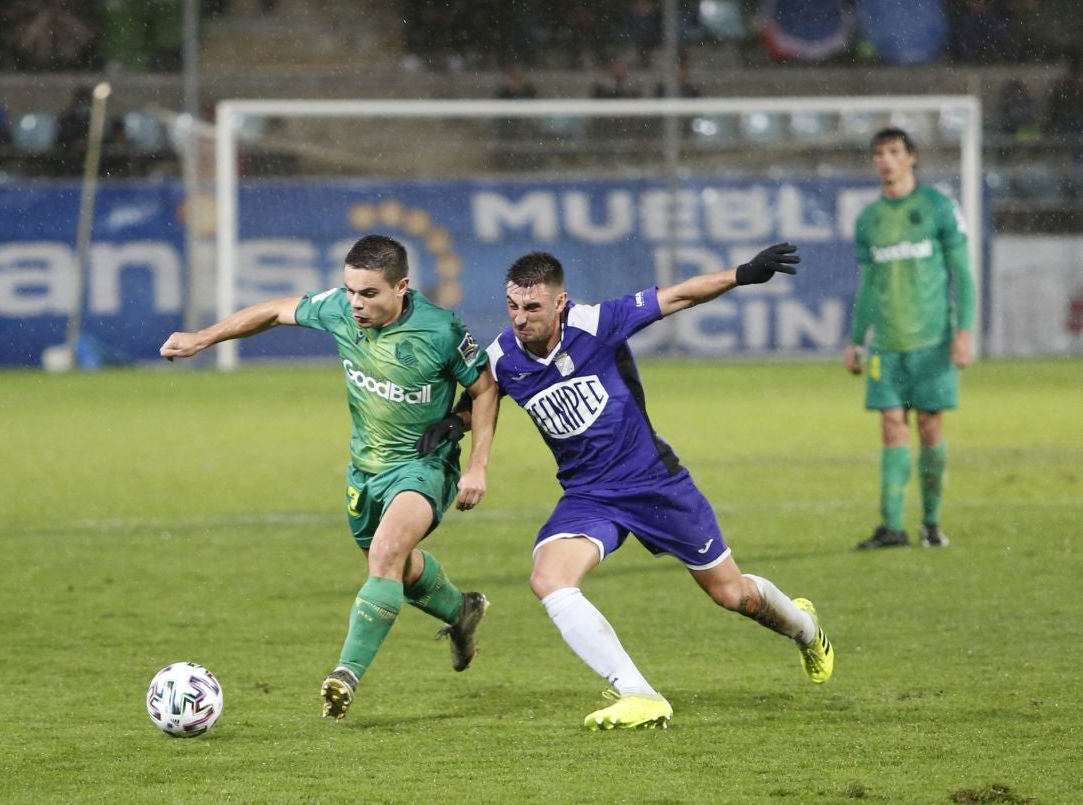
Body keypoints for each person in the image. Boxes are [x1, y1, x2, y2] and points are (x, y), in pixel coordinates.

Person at [420, 243, 834, 731]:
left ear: (560, 302)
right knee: (549, 579)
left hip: (655, 484)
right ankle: (638, 693)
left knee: (733, 595)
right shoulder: (504, 356)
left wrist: (743, 274)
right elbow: (485, 394)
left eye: (532, 307)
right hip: (590, 496)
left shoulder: (597, 324)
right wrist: (457, 423)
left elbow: (678, 297)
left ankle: (805, 630)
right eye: (513, 306)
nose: (520, 318)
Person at [159, 234, 498, 721]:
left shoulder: (440, 331)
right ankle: (461, 610)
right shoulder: (338, 308)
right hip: (365, 468)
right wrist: (202, 338)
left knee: (384, 556)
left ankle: (346, 674)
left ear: (402, 286)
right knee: (393, 567)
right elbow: (274, 310)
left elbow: (485, 390)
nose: (355, 304)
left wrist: (477, 466)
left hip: (423, 466)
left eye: (369, 294)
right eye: (350, 291)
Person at [844, 127, 976, 550]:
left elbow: (964, 273)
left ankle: (932, 523)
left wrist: (965, 331)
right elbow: (868, 285)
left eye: (894, 151)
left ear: (911, 158)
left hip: (933, 340)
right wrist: (855, 339)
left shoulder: (938, 208)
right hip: (886, 344)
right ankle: (891, 528)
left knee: (930, 426)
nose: (885, 159)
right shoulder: (869, 220)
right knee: (890, 427)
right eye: (879, 153)